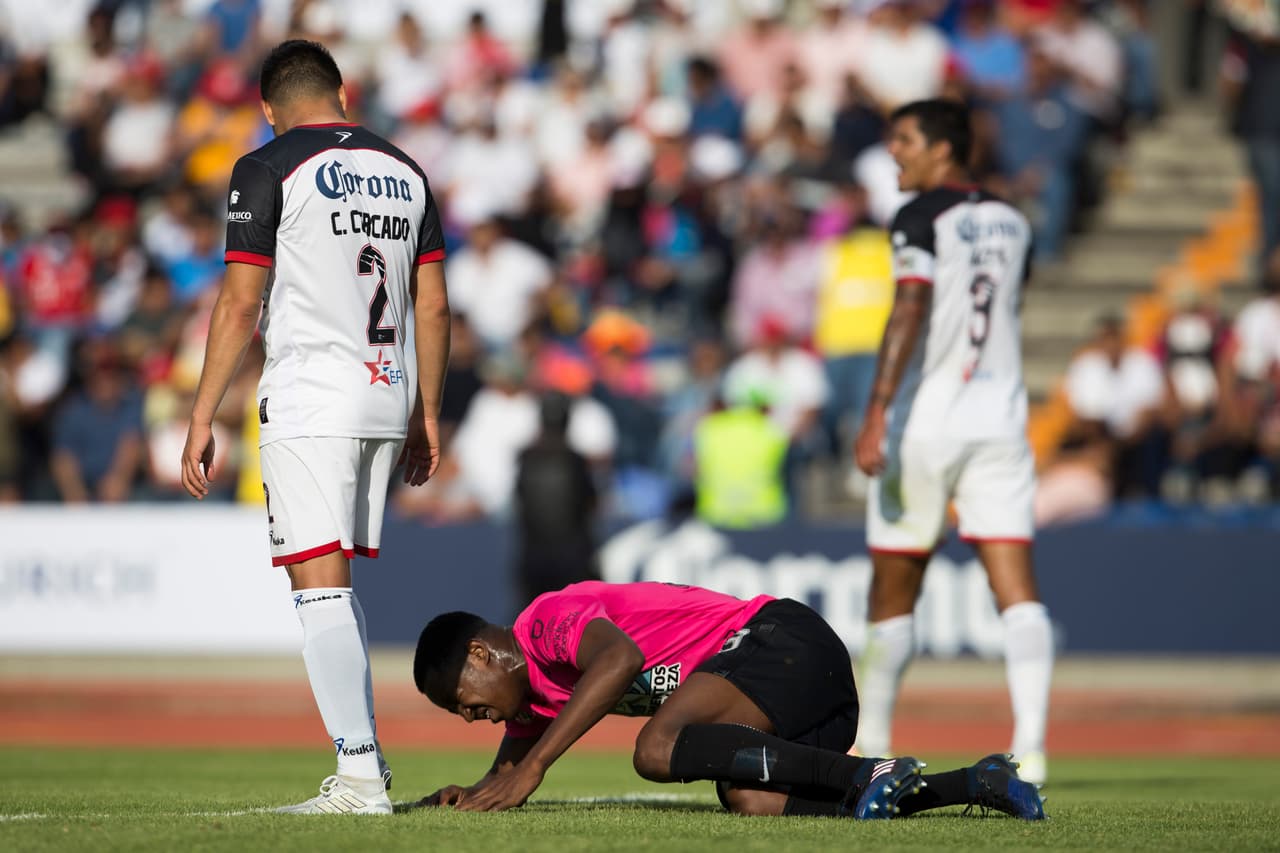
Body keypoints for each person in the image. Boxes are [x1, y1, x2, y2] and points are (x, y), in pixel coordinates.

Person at [179, 40, 450, 815]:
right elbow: (431, 303)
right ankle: (363, 763)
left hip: (311, 394)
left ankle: (360, 776)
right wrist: (427, 412)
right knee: (334, 583)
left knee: (316, 585)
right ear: (342, 91)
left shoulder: (267, 166)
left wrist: (201, 413)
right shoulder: (406, 169)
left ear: (268, 107)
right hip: (388, 395)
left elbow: (239, 303)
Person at [410, 580, 1045, 820]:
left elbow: (620, 660)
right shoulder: (534, 702)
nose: (470, 716)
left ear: (478, 654)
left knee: (655, 747)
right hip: (809, 692)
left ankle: (867, 768)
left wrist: (537, 768)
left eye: (461, 701)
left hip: (786, 639)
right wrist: (463, 794)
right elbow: (505, 775)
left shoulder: (543, 623)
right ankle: (977, 783)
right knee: (754, 799)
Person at [853, 99, 1053, 786]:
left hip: (928, 422)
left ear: (944, 149)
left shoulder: (918, 216)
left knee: (894, 582)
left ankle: (871, 740)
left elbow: (910, 306)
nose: (894, 153)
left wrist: (877, 409)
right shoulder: (1014, 219)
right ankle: (1032, 744)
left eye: (904, 140)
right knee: (1017, 589)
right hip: (999, 418)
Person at [512, 392, 600, 609]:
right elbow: (591, 503)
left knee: (533, 621)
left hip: (534, 556)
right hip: (572, 557)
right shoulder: (575, 460)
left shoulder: (525, 459)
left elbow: (519, 500)